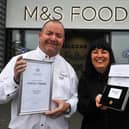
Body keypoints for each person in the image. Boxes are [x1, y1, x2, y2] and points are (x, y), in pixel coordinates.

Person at [0, 19, 78, 129]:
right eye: (49, 33)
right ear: (40, 35)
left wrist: (68, 106)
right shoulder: (18, 61)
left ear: (63, 40)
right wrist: (15, 80)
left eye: (58, 35)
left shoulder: (68, 69)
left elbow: (74, 98)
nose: (53, 38)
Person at [77, 38, 129, 129]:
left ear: (110, 56)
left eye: (104, 52)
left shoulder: (122, 76)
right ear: (90, 56)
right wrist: (95, 102)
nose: (99, 55)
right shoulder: (85, 78)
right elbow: (81, 107)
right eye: (95, 52)